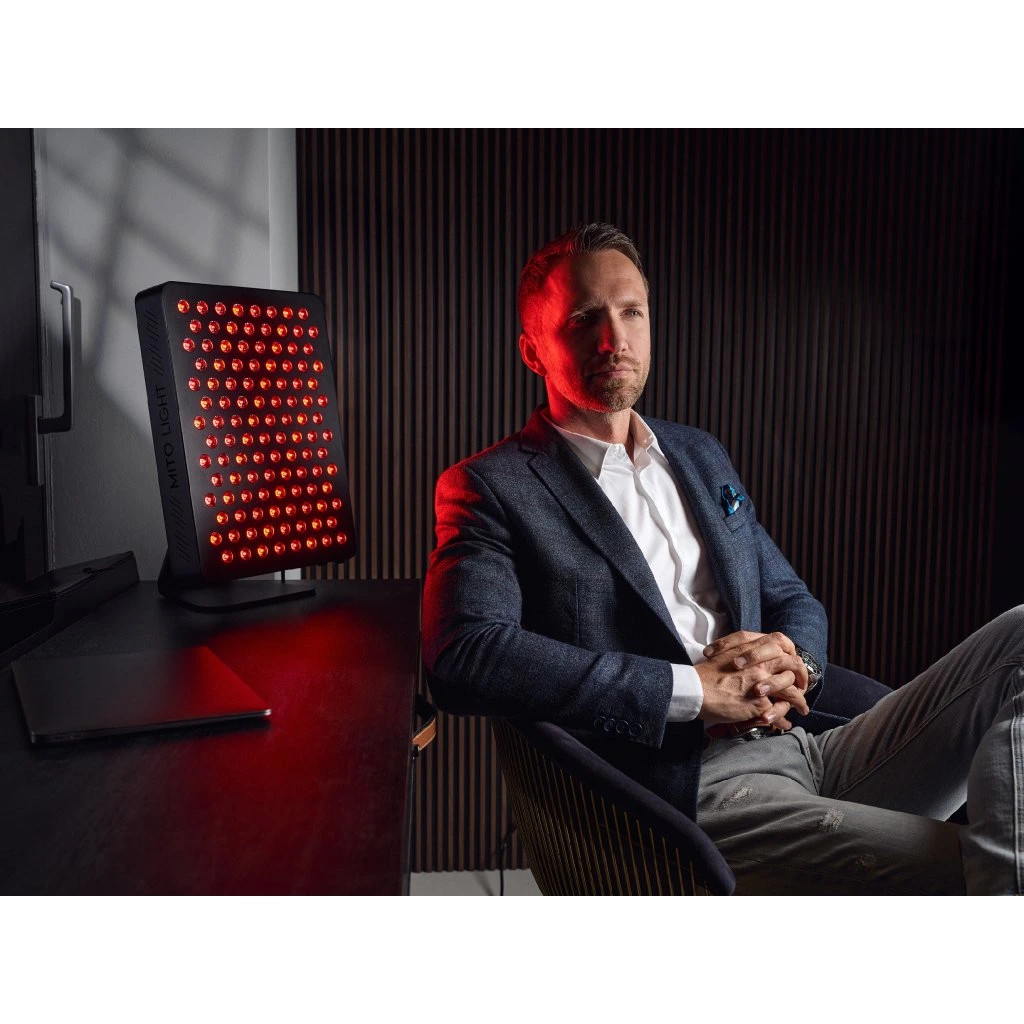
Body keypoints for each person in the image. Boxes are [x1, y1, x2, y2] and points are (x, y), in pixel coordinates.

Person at [421, 222, 1024, 895]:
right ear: (533, 350)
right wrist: (691, 690)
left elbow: (790, 596)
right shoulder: (492, 486)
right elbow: (464, 654)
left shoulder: (698, 453)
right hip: (689, 792)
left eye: (631, 312)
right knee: (977, 875)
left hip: (805, 743)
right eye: (584, 318)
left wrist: (795, 662)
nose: (614, 339)